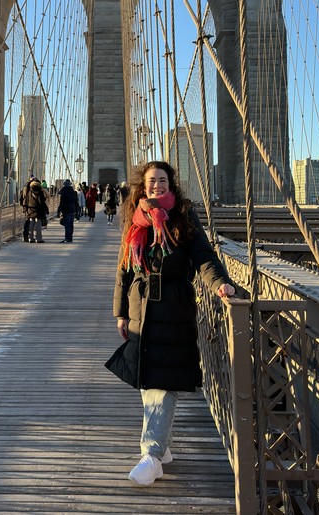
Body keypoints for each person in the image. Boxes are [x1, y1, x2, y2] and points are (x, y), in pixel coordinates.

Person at [105, 160, 236, 486]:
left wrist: (219, 282)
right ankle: (161, 450)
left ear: (171, 184)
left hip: (174, 309)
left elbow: (203, 256)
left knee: (162, 387)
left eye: (162, 181)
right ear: (143, 185)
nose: (157, 186)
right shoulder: (134, 220)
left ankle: (151, 455)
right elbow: (124, 269)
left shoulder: (183, 215)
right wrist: (120, 312)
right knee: (149, 384)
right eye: (152, 181)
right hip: (141, 311)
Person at [25, 178, 48, 243]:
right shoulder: (40, 192)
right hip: (38, 210)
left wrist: (26, 208)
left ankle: (31, 238)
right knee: (38, 224)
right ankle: (38, 238)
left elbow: (26, 200)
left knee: (31, 223)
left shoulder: (29, 192)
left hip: (30, 209)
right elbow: (43, 200)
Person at [57, 179, 78, 243]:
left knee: (67, 225)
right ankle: (70, 238)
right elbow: (76, 202)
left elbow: (62, 202)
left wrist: (59, 210)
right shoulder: (74, 192)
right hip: (72, 210)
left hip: (66, 210)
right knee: (71, 225)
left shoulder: (64, 192)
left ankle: (67, 238)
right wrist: (76, 210)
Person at [19, 176, 37, 242]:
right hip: (34, 207)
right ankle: (35, 237)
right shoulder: (35, 186)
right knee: (35, 222)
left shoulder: (25, 187)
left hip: (26, 206)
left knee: (27, 222)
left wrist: (23, 205)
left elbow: (21, 197)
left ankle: (26, 237)